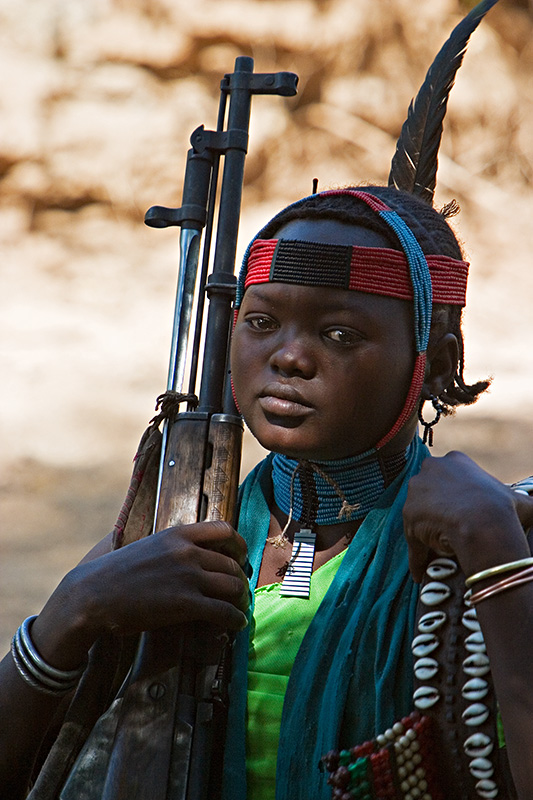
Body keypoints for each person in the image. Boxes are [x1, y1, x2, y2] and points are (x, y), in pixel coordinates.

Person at [2, 1, 533, 799]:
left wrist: (494, 555)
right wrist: (70, 617)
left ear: (432, 363)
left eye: (343, 335)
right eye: (260, 322)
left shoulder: (483, 536)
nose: (288, 355)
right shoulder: (173, 542)